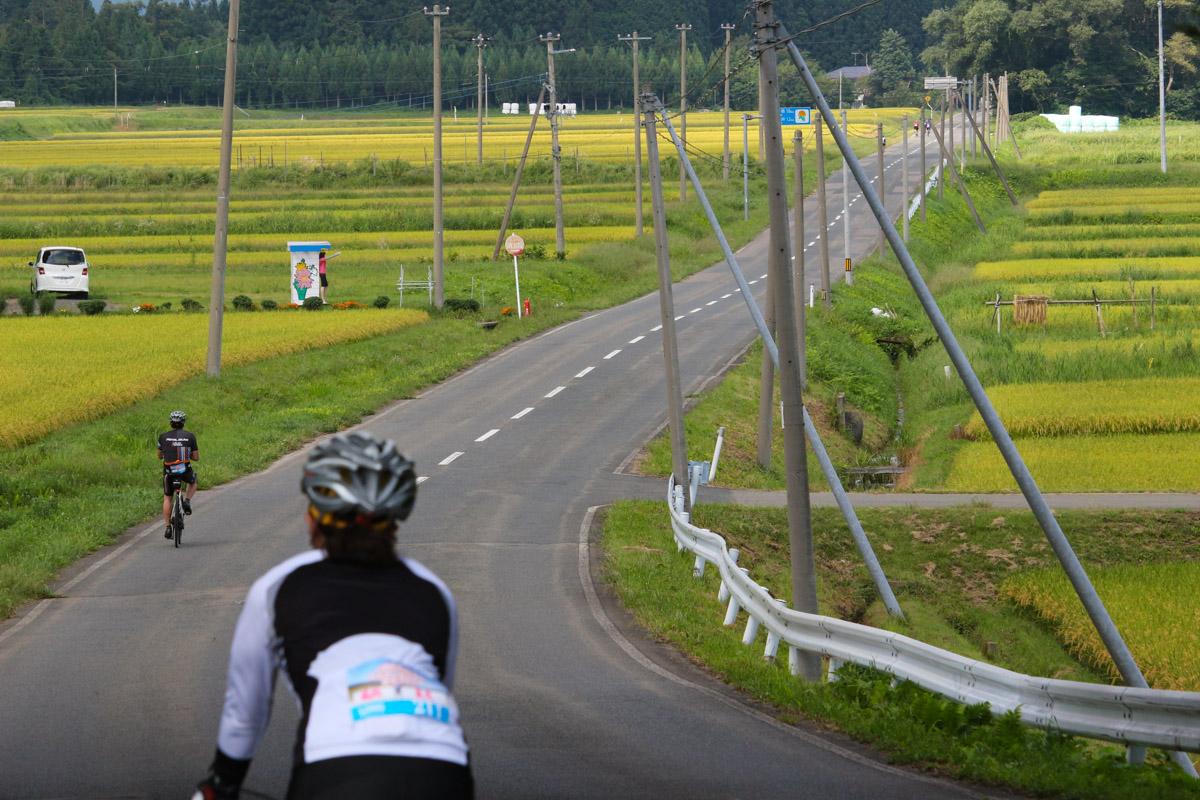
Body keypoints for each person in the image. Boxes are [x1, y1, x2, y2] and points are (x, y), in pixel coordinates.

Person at [194, 432, 473, 800]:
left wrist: (222, 782)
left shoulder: (277, 588)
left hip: (337, 768)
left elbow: (245, 714)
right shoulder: (435, 592)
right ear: (394, 523)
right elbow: (440, 687)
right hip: (444, 768)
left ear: (314, 520)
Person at [158, 410, 198, 539]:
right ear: (183, 423)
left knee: (167, 498)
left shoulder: (162, 437)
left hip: (169, 472)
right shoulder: (190, 436)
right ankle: (186, 501)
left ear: (171, 423)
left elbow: (159, 456)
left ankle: (168, 527)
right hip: (184, 470)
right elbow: (196, 457)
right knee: (192, 481)